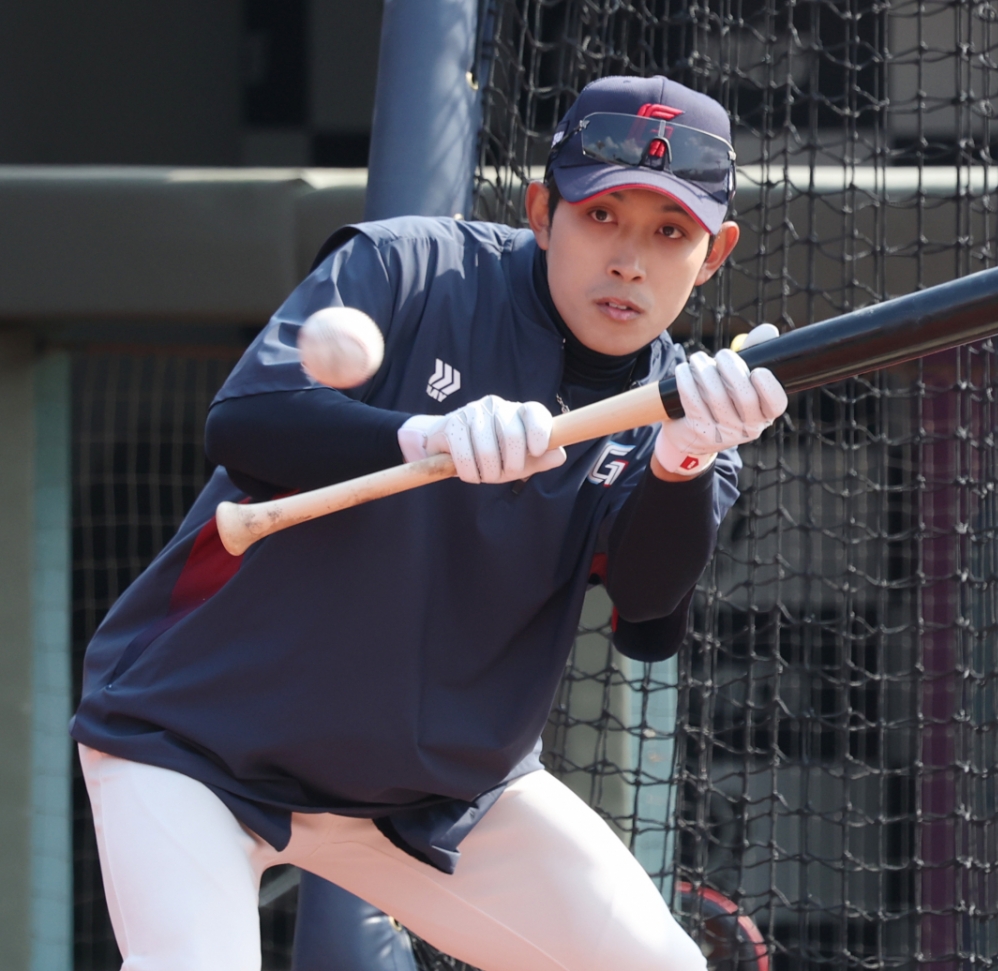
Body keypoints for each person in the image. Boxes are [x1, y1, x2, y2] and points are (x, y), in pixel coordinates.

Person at [70, 74, 787, 971]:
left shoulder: (688, 411)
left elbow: (647, 618)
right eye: (602, 215)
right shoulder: (409, 266)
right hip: (195, 745)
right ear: (542, 211)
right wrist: (421, 435)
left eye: (670, 232)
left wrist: (683, 459)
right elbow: (244, 422)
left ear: (714, 254)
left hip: (438, 796)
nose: (629, 261)